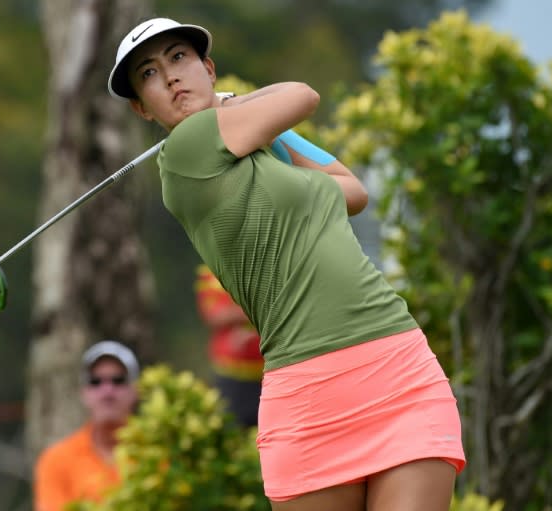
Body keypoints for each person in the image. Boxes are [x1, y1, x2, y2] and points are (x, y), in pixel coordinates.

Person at [107, 17, 466, 511]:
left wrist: (268, 139)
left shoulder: (263, 156)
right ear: (142, 109)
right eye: (148, 74)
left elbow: (352, 190)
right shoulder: (187, 153)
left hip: (394, 366)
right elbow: (302, 95)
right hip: (308, 395)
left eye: (178, 58)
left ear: (207, 68)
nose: (169, 76)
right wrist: (230, 103)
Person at [33, 340, 140, 511]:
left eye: (118, 380)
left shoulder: (159, 456)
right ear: (84, 393)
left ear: (136, 390)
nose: (107, 391)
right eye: (96, 381)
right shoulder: (56, 461)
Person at [195, 263, 263, 427]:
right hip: (231, 372)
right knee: (233, 429)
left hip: (271, 371)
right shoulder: (210, 268)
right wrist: (254, 311)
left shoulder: (266, 261)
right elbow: (213, 315)